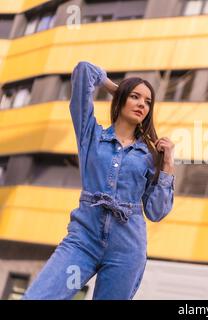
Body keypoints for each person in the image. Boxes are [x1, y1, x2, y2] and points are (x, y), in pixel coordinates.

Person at [22, 61, 175, 299]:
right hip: (83, 241)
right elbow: (84, 71)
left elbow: (157, 211)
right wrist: (117, 89)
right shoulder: (91, 135)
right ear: (122, 98)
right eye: (135, 97)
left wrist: (167, 165)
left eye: (147, 102)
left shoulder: (150, 154)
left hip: (126, 250)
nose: (142, 104)